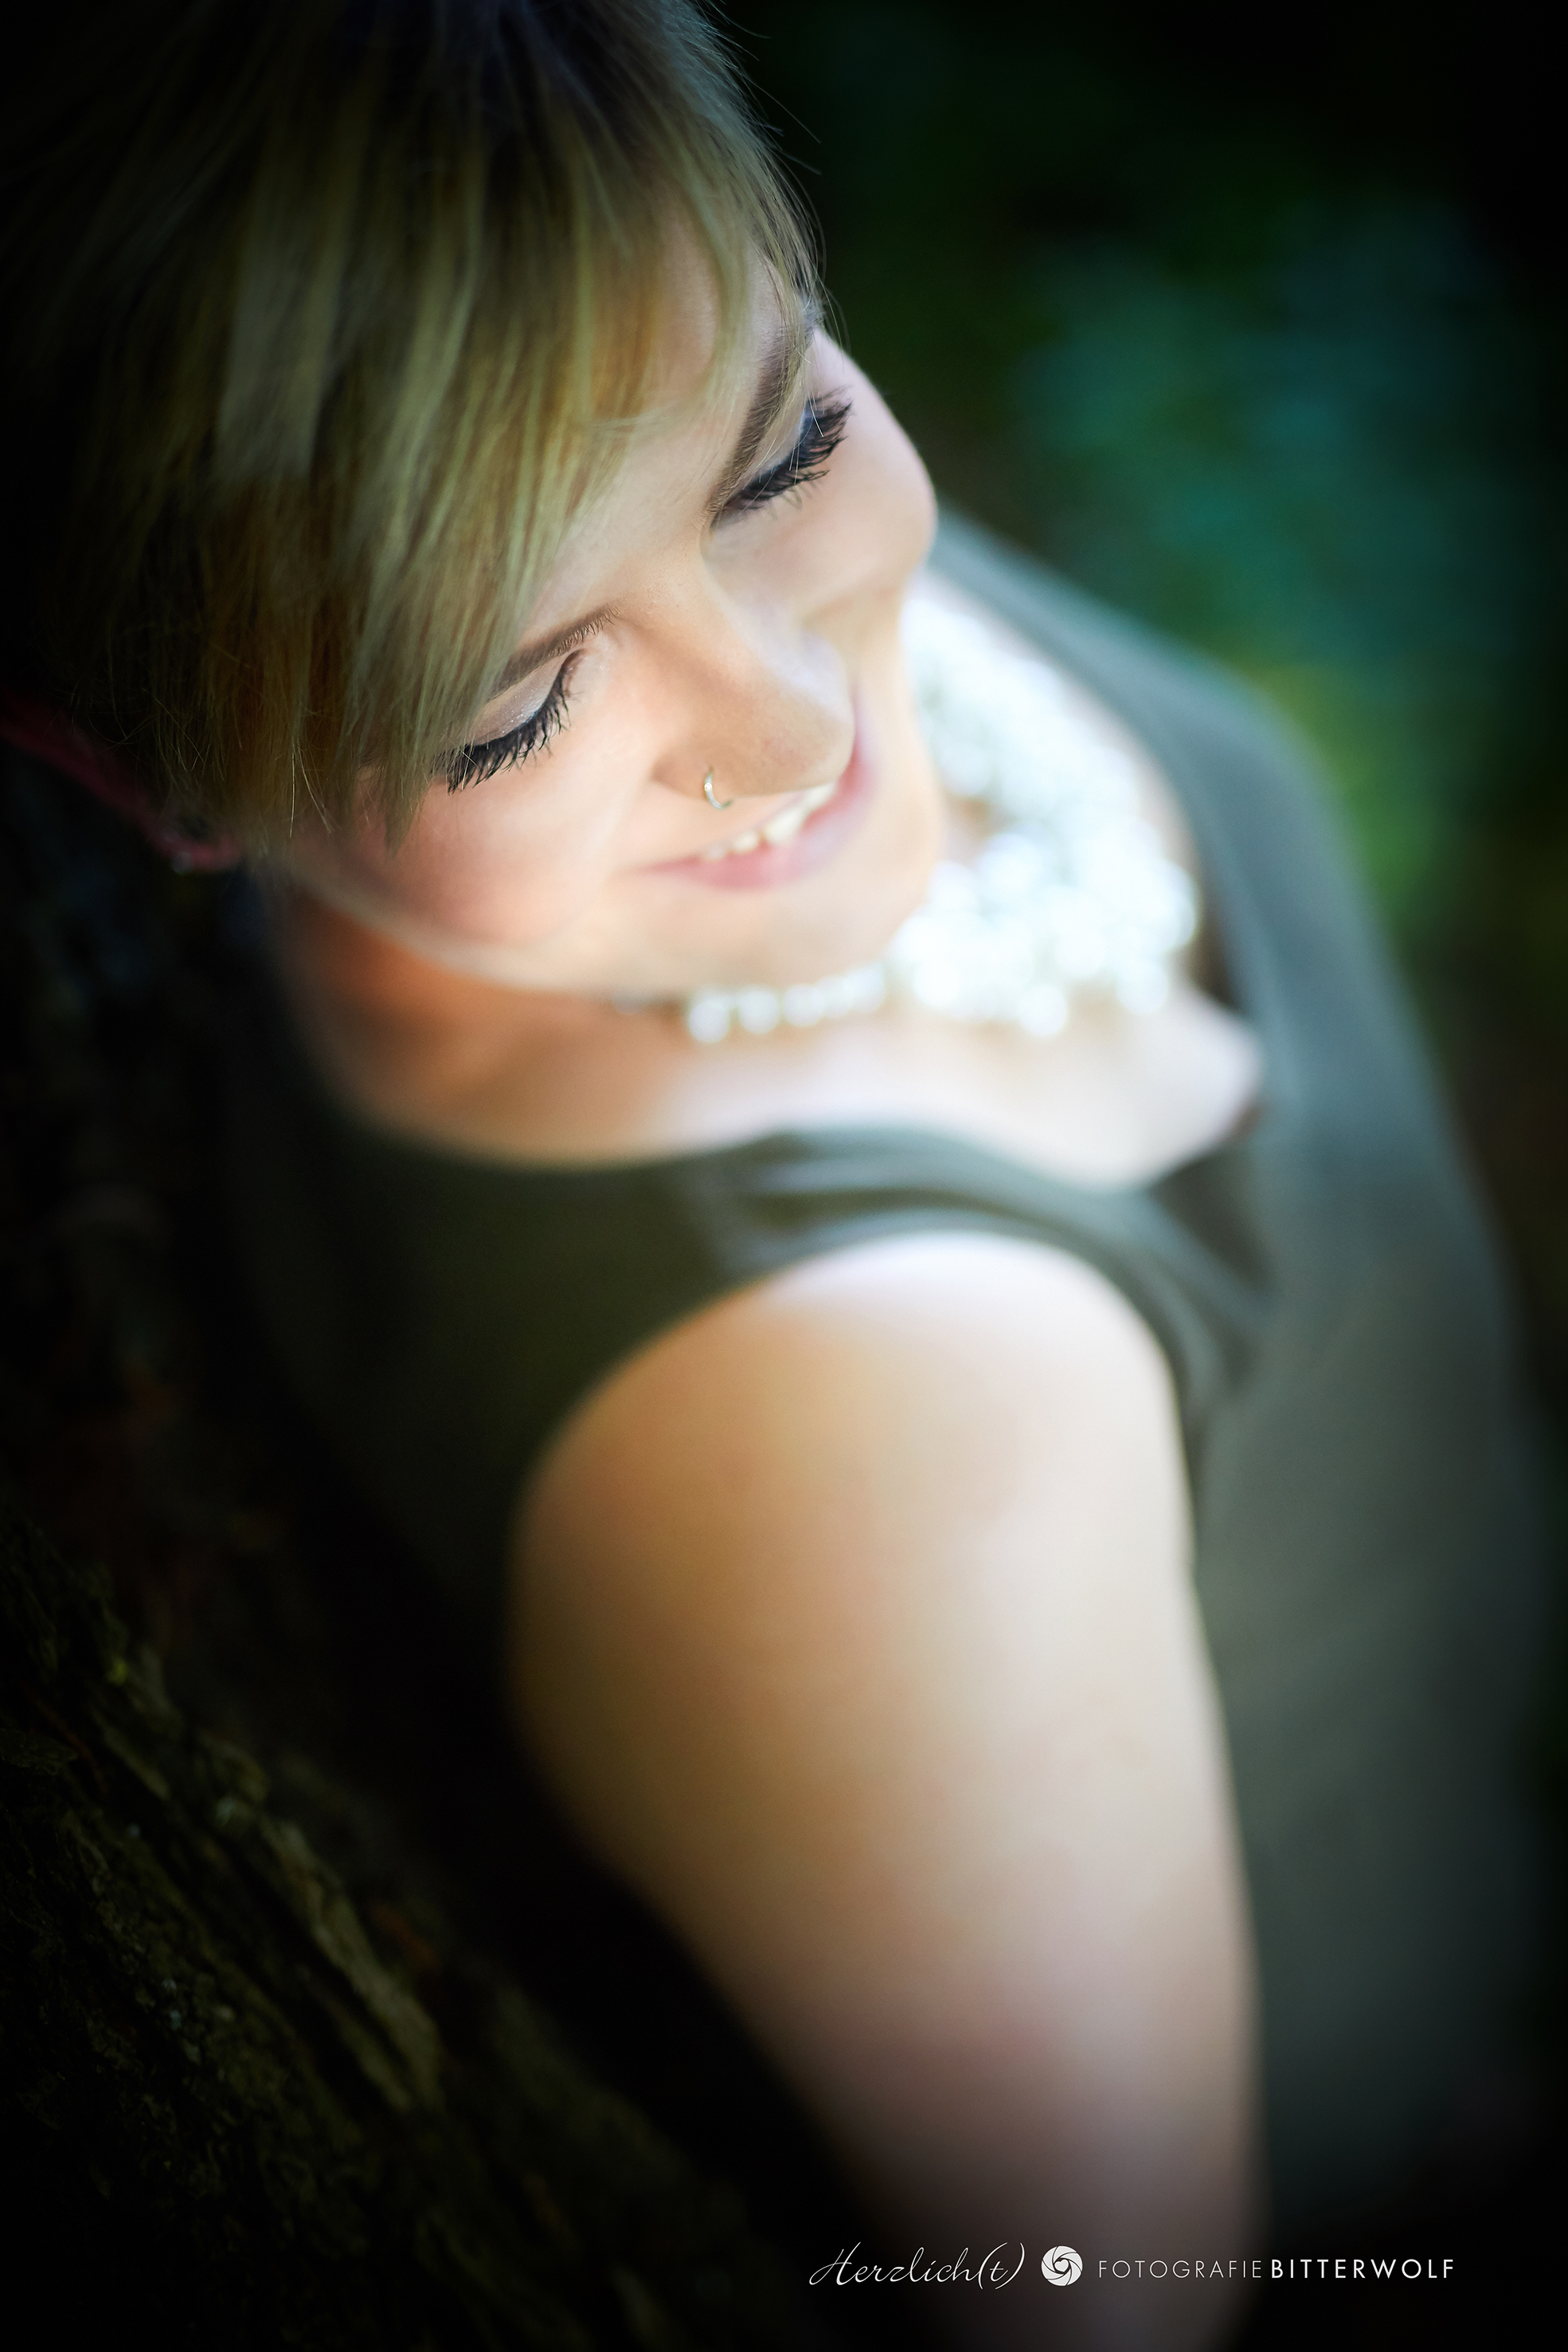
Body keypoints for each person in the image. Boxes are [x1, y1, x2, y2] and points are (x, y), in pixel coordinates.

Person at [0, 6, 1546, 2346]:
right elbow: (1114, 2302)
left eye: (783, 445)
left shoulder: (670, 606)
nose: (797, 714)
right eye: (517, 701)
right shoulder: (859, 1428)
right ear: (134, 780)